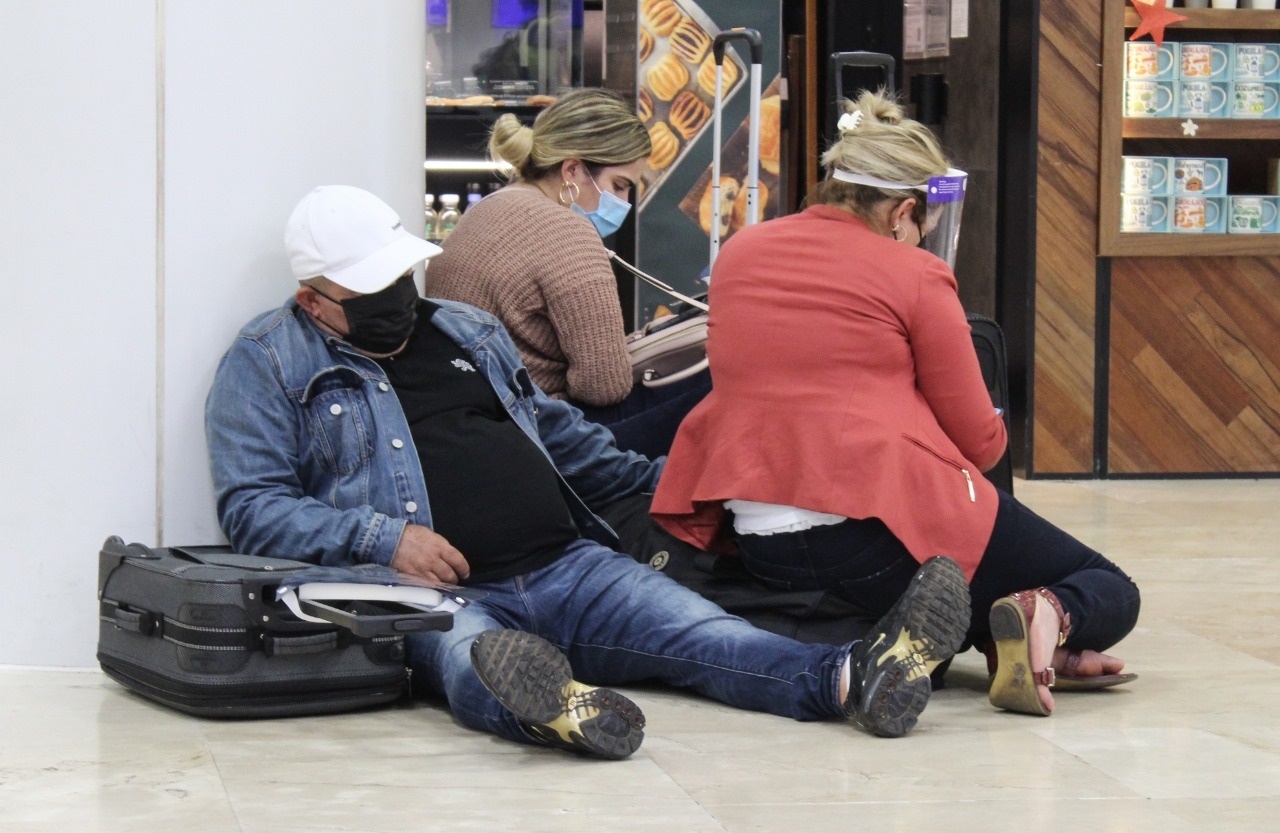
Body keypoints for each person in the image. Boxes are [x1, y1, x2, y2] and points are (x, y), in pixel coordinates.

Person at [205, 184, 973, 759]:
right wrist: (384, 540)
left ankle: (850, 678)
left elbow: (559, 434)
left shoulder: (465, 330)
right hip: (429, 591)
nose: (398, 300)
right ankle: (552, 707)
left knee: (706, 633)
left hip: (568, 564)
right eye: (373, 292)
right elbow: (251, 507)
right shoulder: (267, 362)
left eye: (402, 277)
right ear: (315, 302)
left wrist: (671, 479)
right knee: (463, 657)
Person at [651, 91, 1141, 717]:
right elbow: (981, 440)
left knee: (919, 591)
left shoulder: (740, 252)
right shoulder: (913, 274)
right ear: (903, 211)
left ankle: (969, 635)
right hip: (874, 529)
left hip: (759, 540)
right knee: (1111, 591)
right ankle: (1039, 615)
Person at [424, 88, 710, 459]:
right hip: (542, 435)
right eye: (619, 185)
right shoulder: (568, 232)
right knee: (716, 382)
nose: (623, 203)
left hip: (478, 426)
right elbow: (604, 387)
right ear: (572, 169)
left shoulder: (483, 211)